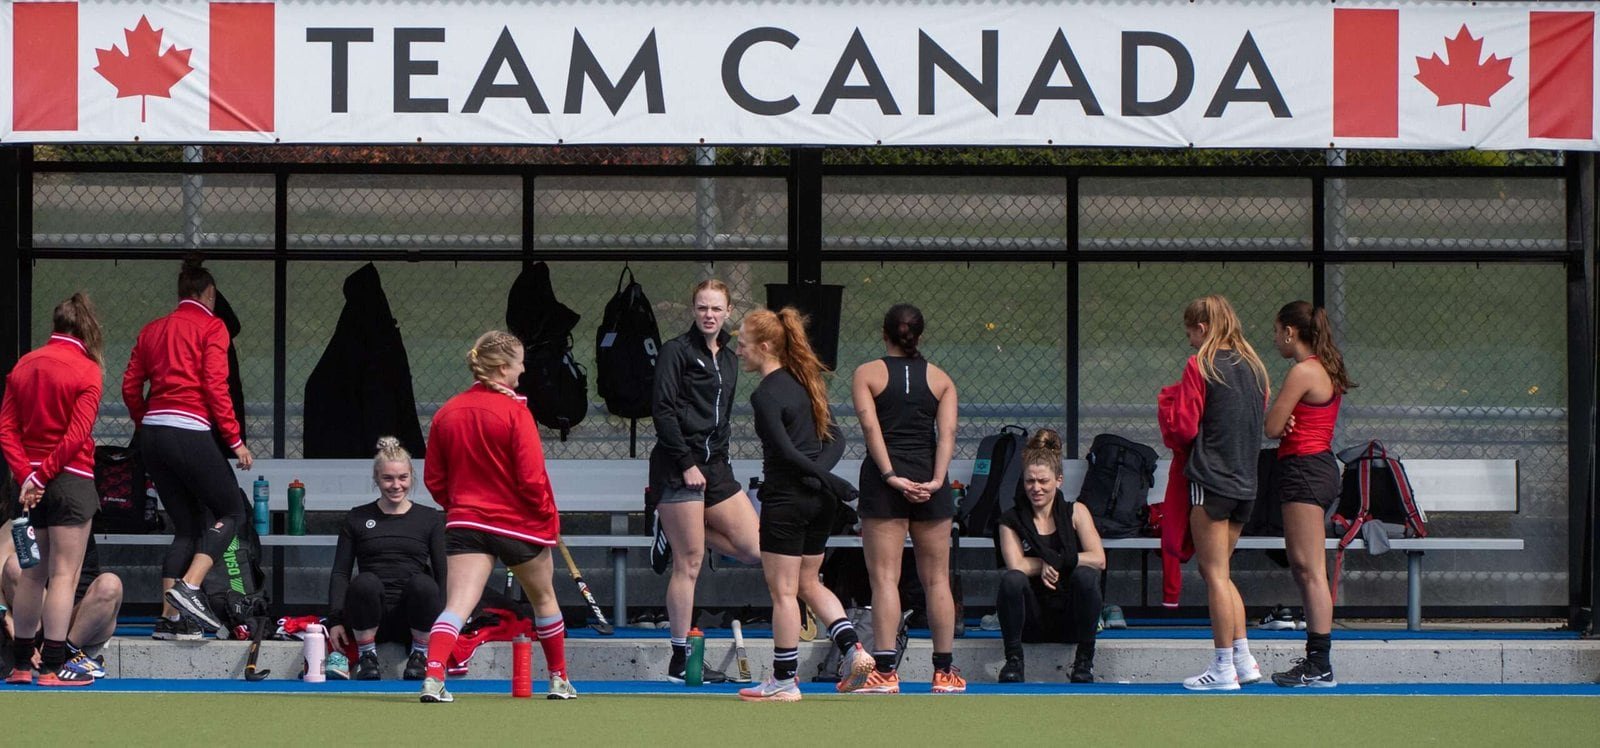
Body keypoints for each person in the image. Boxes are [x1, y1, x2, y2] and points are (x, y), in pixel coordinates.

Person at [417, 330, 574, 703]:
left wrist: (457, 505)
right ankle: (558, 680)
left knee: (456, 606)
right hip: (517, 524)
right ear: (504, 367)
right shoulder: (517, 413)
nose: (523, 369)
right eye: (520, 362)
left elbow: (434, 479)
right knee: (544, 599)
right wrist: (548, 518)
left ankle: (433, 678)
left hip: (467, 522)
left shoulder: (447, 412)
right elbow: (532, 478)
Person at [734, 307, 874, 702]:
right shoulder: (804, 381)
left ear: (764, 347)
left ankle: (783, 680)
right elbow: (835, 442)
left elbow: (786, 452)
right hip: (819, 502)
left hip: (787, 501)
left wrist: (821, 477)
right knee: (809, 582)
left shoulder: (764, 394)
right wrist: (826, 480)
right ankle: (852, 648)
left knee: (783, 592)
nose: (738, 350)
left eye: (742, 343)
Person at [122, 257, 253, 637]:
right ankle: (190, 587)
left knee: (187, 527)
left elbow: (130, 386)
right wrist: (234, 440)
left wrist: (145, 422)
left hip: (153, 434)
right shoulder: (213, 327)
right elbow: (216, 385)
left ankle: (170, 619)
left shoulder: (152, 329)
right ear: (209, 293)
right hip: (189, 429)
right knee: (232, 510)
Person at [649, 279, 761, 684]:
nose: (708, 315)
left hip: (716, 469)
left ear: (728, 311)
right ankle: (679, 660)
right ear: (692, 311)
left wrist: (717, 465)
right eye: (701, 308)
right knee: (690, 563)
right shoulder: (675, 352)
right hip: (678, 467)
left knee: (753, 547)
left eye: (715, 309)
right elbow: (662, 412)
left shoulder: (730, 359)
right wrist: (686, 463)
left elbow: (724, 418)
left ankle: (677, 529)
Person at [850, 303, 963, 694]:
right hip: (930, 484)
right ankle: (944, 673)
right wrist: (935, 481)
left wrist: (891, 477)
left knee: (884, 579)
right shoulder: (943, 379)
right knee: (937, 580)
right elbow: (946, 437)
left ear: (884, 334)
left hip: (886, 485)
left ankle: (885, 672)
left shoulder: (867, 373)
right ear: (920, 335)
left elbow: (871, 429)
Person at [1162, 295, 1269, 691]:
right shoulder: (1256, 368)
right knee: (1220, 572)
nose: (1189, 340)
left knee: (1215, 576)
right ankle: (1244, 658)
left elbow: (1186, 429)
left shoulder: (1201, 365)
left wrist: (1170, 412)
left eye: (1190, 332)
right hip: (1245, 485)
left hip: (1210, 481)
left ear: (1203, 329)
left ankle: (1223, 667)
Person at [0, 293, 107, 686]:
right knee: (64, 574)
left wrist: (27, 475)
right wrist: (44, 476)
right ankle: (52, 668)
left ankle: (21, 666)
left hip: (26, 482)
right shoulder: (87, 370)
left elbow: (6, 429)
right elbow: (77, 435)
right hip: (69, 480)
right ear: (85, 327)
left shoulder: (24, 365)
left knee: (32, 575)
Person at [1264, 301, 1353, 688]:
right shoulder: (1323, 368)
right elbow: (1283, 424)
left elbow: (1271, 426)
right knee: (1304, 568)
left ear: (1290, 332)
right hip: (1312, 468)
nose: (1274, 338)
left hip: (1305, 468)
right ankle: (1317, 661)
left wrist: (1280, 411)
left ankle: (1320, 663)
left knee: (1310, 570)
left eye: (1276, 330)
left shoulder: (1303, 371)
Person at [326, 437, 447, 681]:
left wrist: (448, 622)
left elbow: (444, 572)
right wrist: (335, 620)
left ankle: (419, 655)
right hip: (369, 618)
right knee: (365, 581)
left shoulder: (429, 518)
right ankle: (367, 657)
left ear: (412, 477)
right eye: (388, 478)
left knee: (424, 583)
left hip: (412, 620)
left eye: (402, 477)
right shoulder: (357, 518)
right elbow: (341, 573)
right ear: (376, 479)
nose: (396, 485)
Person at [995, 429, 1106, 684]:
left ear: (1058, 480)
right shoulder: (1010, 520)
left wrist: (1058, 560)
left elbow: (1098, 558)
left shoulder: (1076, 512)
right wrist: (1044, 562)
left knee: (1087, 577)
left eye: (1043, 481)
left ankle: (1084, 661)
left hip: (1070, 617)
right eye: (1030, 481)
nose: (1036, 488)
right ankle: (1013, 660)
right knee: (1011, 580)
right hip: (1031, 619)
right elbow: (1017, 565)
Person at [3, 537, 123, 681]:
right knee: (15, 564)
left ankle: (65, 654)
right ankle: (35, 649)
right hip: (37, 617)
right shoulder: (21, 521)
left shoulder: (78, 520)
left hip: (79, 619)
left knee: (110, 584)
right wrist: (20, 639)